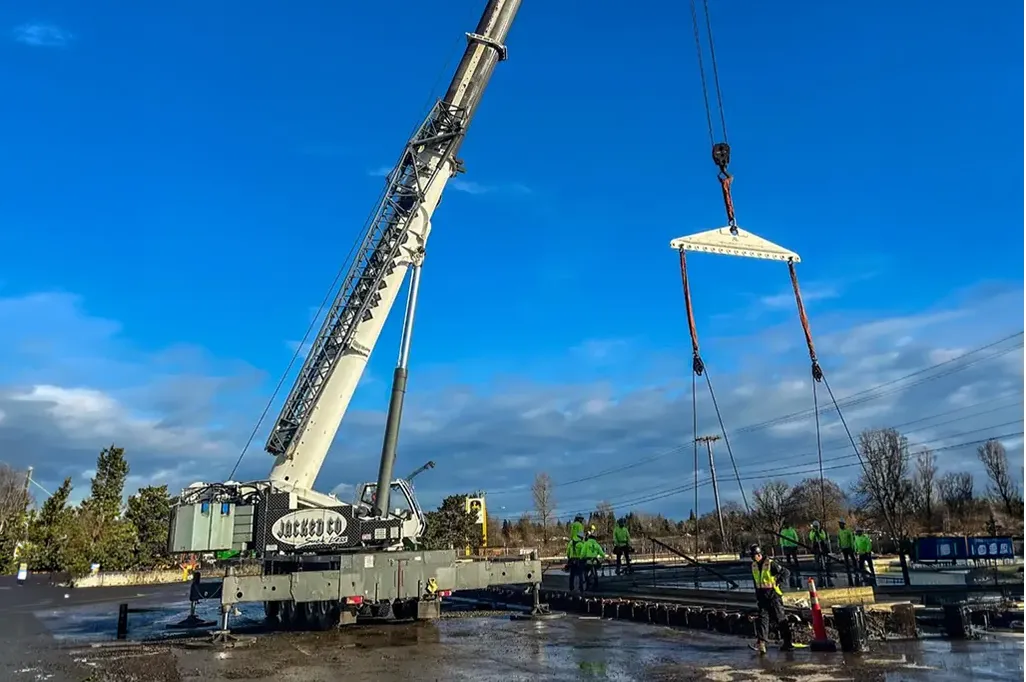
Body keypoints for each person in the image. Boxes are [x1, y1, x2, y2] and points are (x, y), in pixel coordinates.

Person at [749, 544, 795, 654]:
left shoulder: (770, 564)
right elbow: (756, 583)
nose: (753, 558)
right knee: (763, 619)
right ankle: (762, 643)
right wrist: (757, 596)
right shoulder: (754, 566)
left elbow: (786, 573)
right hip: (762, 596)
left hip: (773, 596)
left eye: (754, 555)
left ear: (759, 554)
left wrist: (779, 586)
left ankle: (788, 642)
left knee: (780, 618)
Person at [808, 520, 833, 587]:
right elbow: (811, 538)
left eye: (817, 526)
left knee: (824, 556)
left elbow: (823, 537)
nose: (816, 527)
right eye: (815, 526)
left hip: (822, 545)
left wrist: (818, 533)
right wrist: (814, 533)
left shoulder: (821, 531)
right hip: (816, 546)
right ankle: (818, 567)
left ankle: (825, 565)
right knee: (817, 558)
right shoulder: (812, 532)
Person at [582, 526, 606, 590]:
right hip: (594, 560)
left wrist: (581, 558)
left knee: (585, 572)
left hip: (588, 560)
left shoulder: (586, 544)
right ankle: (596, 585)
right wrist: (605, 557)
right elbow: (602, 553)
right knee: (595, 572)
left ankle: (588, 583)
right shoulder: (597, 544)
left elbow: (583, 552)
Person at [779, 521, 801, 588]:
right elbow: (781, 538)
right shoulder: (783, 531)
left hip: (793, 545)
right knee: (788, 557)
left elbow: (795, 536)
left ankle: (797, 566)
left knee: (794, 557)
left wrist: (796, 543)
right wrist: (782, 544)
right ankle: (789, 567)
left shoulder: (792, 530)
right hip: (787, 546)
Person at [837, 519, 855, 583]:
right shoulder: (839, 531)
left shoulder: (848, 531)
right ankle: (848, 569)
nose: (840, 525)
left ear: (843, 524)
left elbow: (851, 539)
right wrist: (839, 546)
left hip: (849, 547)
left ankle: (855, 568)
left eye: (841, 524)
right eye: (839, 524)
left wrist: (852, 547)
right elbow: (839, 539)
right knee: (846, 559)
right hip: (843, 548)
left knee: (853, 558)